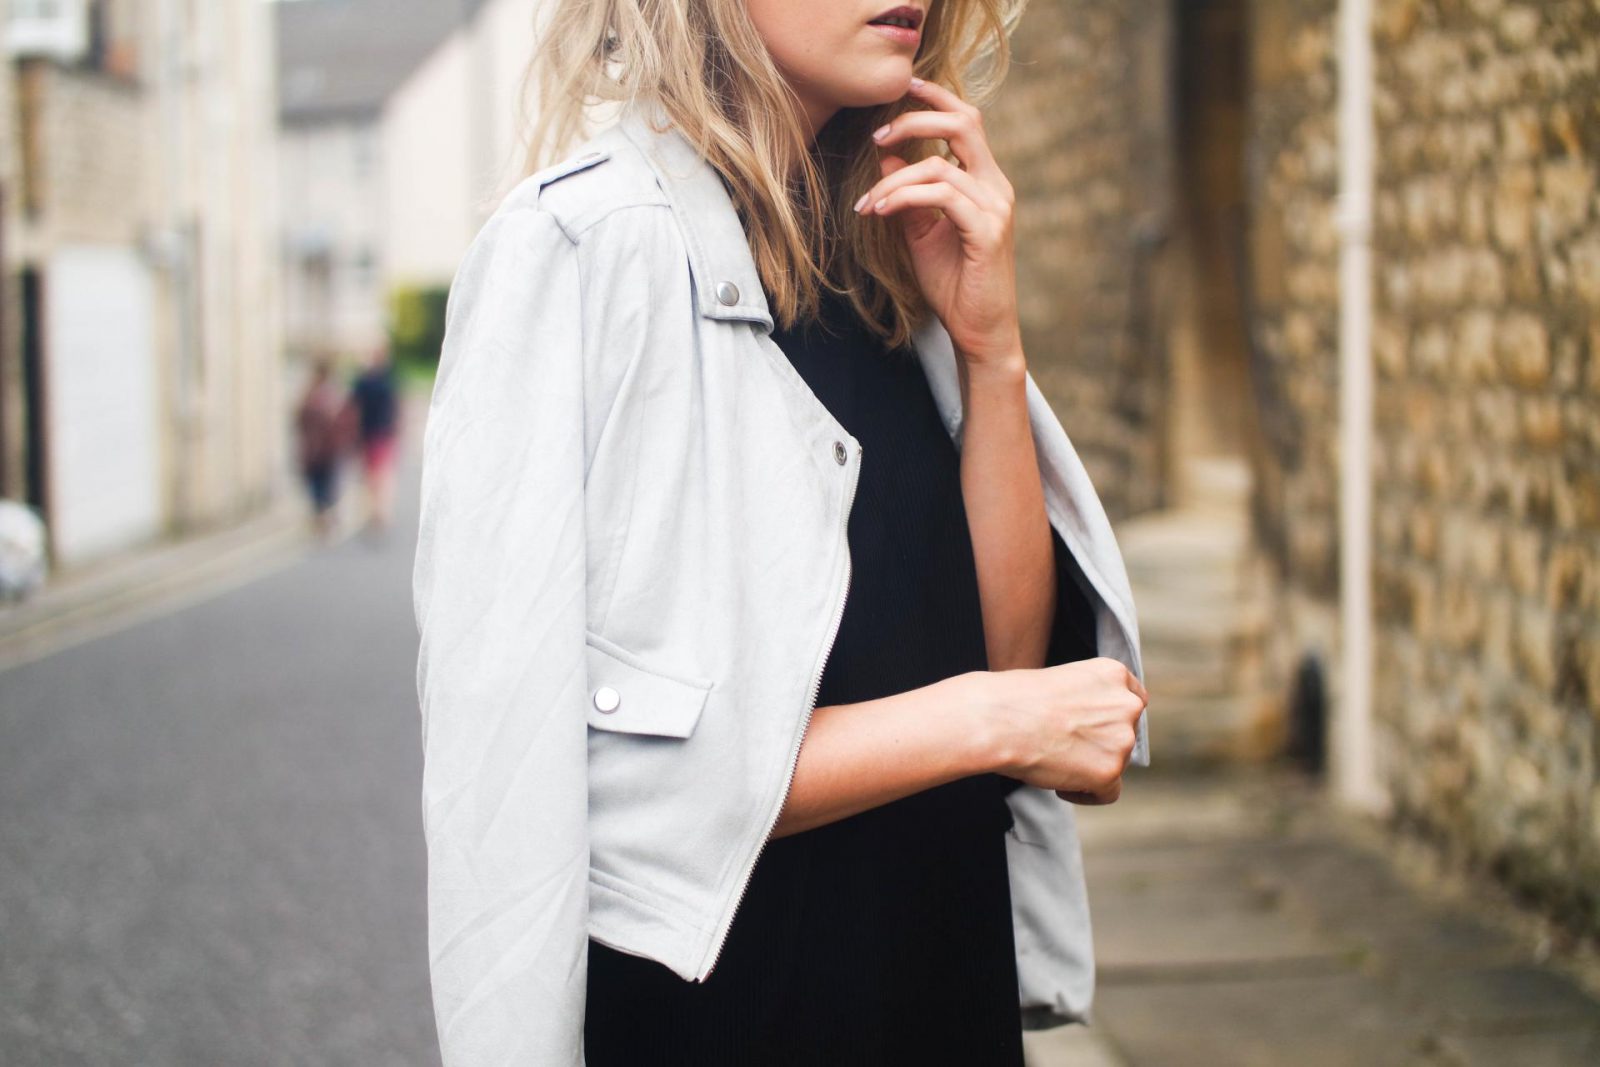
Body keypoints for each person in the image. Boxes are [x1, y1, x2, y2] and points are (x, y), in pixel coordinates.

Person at [412, 2, 1151, 1064]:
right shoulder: (581, 251)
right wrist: (983, 721)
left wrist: (991, 350)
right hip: (738, 1012)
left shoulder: (889, 255)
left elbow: (1005, 653)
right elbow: (558, 788)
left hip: (938, 977)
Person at [346, 342, 401, 539]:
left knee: (375, 476)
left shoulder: (367, 380)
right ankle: (378, 512)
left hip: (376, 434)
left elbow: (352, 405)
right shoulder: (387, 379)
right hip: (378, 434)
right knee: (379, 476)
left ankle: (376, 512)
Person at [294, 358, 349, 542]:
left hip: (319, 449)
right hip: (325, 449)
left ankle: (323, 519)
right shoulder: (333, 395)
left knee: (320, 486)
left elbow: (300, 419)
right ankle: (324, 518)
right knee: (323, 485)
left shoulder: (311, 395)